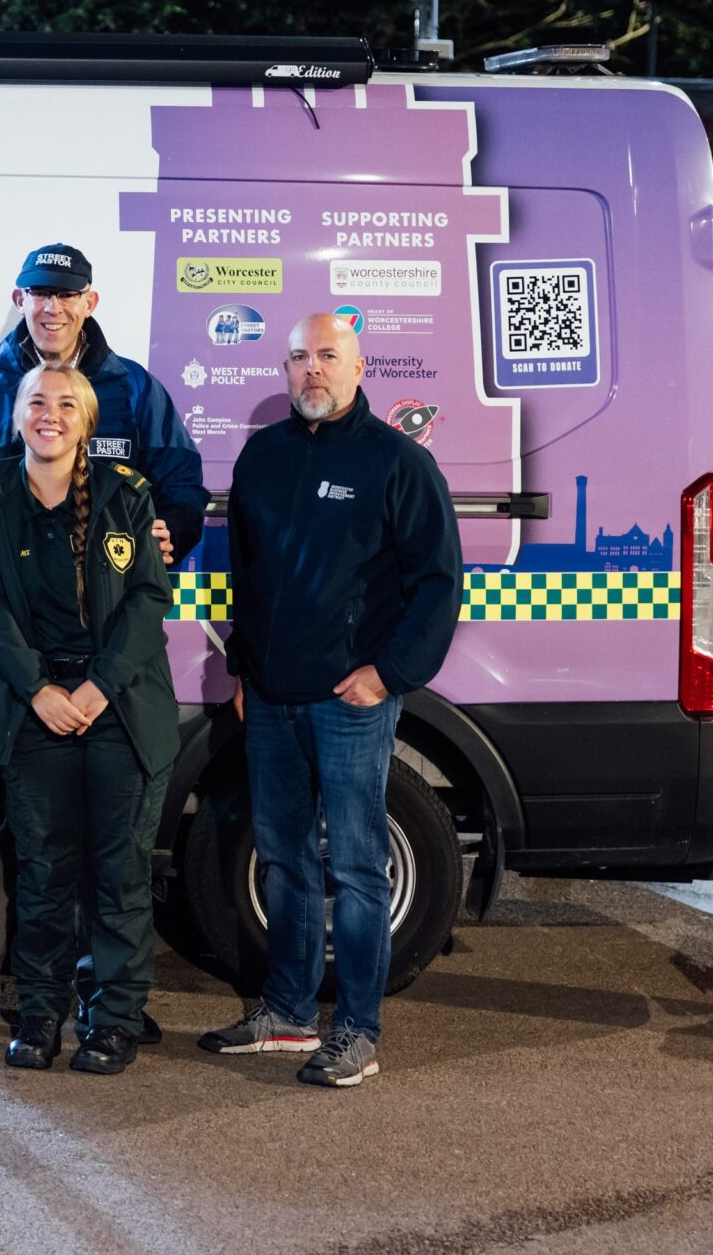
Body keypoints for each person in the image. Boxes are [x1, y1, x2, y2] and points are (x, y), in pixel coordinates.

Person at [0, 242, 204, 1043]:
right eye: (40, 294)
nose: (53, 308)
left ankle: (97, 991)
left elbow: (180, 486)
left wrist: (168, 533)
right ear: (21, 299)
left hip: (97, 665)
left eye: (67, 295)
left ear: (89, 303)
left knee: (91, 832)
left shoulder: (132, 389)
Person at [199, 312, 461, 1088]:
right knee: (283, 860)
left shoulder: (397, 463)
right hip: (272, 698)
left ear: (358, 367)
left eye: (327, 356)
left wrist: (387, 674)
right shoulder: (263, 458)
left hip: (349, 703)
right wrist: (244, 669)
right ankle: (286, 1012)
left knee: (355, 867)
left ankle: (356, 1032)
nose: (312, 370)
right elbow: (248, 579)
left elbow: (439, 585)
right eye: (299, 358)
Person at [0, 365, 175, 1073]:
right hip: (35, 710)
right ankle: (43, 1013)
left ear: (85, 422)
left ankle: (112, 1019)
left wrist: (99, 688)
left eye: (64, 406)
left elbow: (148, 600)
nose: (49, 415)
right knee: (45, 875)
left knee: (120, 875)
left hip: (119, 708)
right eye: (36, 403)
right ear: (16, 415)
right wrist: (40, 691)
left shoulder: (127, 495)